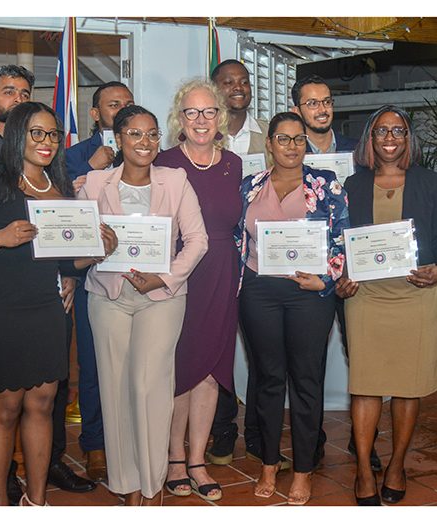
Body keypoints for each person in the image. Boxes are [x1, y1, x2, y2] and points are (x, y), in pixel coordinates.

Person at [0, 102, 116, 506]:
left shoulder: (63, 187)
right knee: (4, 409)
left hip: (46, 306)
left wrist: (97, 252)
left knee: (42, 406)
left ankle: (37, 502)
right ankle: (0, 503)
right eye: (37, 133)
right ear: (17, 135)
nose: (47, 142)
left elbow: (64, 260)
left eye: (53, 134)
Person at [79, 104, 208, 506]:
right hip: (108, 295)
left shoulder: (176, 180)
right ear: (118, 139)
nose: (145, 142)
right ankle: (127, 483)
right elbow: (80, 245)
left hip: (161, 297)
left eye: (152, 134)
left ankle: (153, 487)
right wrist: (96, 247)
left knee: (150, 386)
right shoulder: (95, 184)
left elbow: (198, 240)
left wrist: (166, 276)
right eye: (134, 134)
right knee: (115, 389)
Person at [340, 105, 437, 505]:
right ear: (369, 139)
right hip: (366, 297)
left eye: (398, 131)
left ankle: (396, 464)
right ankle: (361, 472)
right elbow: (338, 240)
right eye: (381, 131)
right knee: (366, 387)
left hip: (416, 295)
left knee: (408, 387)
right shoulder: (351, 185)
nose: (390, 138)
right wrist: (341, 274)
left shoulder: (430, 182)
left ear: (409, 139)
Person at [238, 112, 349, 505]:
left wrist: (327, 280)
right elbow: (240, 238)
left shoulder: (326, 184)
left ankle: (303, 470)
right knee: (268, 379)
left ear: (307, 143)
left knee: (306, 380)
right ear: (269, 143)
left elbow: (341, 238)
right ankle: (269, 462)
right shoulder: (250, 186)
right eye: (282, 139)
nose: (291, 146)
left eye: (298, 139)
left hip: (308, 294)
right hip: (258, 291)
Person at [290, 73, 383, 471]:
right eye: (312, 103)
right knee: (308, 361)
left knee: (361, 354)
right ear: (297, 110)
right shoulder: (290, 151)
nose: (322, 108)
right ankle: (311, 441)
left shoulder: (357, 152)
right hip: (310, 269)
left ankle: (366, 444)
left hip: (353, 268)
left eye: (326, 100)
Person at [154, 78, 240, 501]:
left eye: (209, 111)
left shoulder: (236, 165)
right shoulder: (163, 162)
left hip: (223, 272)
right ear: (179, 118)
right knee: (181, 370)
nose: (201, 120)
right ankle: (173, 458)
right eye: (192, 112)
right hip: (179, 275)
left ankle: (198, 460)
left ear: (220, 117)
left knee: (211, 371)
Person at [205, 60, 281, 470]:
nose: (237, 88)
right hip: (215, 257)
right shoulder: (203, 136)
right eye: (228, 82)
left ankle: (259, 435)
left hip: (258, 259)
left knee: (261, 354)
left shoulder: (268, 134)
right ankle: (222, 430)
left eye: (244, 82)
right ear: (214, 89)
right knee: (216, 348)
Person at [65, 81, 135, 482]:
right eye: (113, 105)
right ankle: (95, 443)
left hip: (143, 275)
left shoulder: (143, 149)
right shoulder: (74, 155)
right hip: (94, 273)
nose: (122, 109)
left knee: (136, 366)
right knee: (93, 364)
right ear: (96, 114)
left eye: (127, 103)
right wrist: (92, 168)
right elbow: (57, 202)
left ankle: (131, 437)